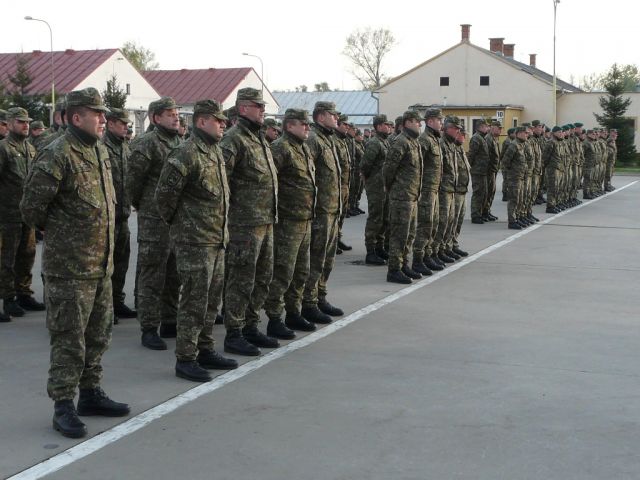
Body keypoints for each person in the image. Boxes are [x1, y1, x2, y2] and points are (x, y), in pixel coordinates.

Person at [21, 87, 130, 439]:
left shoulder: (99, 150)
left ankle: (91, 393)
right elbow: (31, 209)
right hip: (69, 270)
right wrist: (64, 234)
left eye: (103, 114)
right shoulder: (57, 153)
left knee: (98, 336)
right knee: (69, 340)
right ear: (76, 117)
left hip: (100, 266)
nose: (103, 119)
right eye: (97, 114)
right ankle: (63, 404)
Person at [155, 99, 237, 382]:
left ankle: (205, 349)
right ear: (202, 121)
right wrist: (183, 227)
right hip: (194, 242)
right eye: (218, 120)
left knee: (211, 302)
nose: (223, 124)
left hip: (216, 239)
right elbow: (164, 198)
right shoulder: (186, 153)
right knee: (193, 302)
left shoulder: (214, 151)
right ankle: (186, 357)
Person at [220, 87, 279, 356]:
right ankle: (234, 332)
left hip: (265, 221)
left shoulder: (259, 138)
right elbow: (221, 182)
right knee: (241, 280)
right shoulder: (233, 139)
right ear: (243, 108)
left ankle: (251, 326)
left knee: (262, 277)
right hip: (244, 224)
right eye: (258, 106)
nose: (263, 110)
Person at [127, 97, 181, 350]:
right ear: (156, 117)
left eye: (176, 114)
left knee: (174, 273)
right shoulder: (146, 143)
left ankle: (170, 320)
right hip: (153, 219)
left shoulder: (178, 142)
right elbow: (133, 183)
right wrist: (145, 205)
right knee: (152, 274)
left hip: (175, 219)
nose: (176, 118)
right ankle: (149, 327)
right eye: (170, 114)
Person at [263, 109, 317, 334]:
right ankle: (274, 317)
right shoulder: (280, 148)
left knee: (301, 271)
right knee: (283, 272)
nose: (307, 128)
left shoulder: (302, 148)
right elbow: (269, 183)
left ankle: (294, 312)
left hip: (304, 219)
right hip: (287, 222)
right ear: (289, 126)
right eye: (303, 124)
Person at [0, 107, 44, 321]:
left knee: (27, 255)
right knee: (7, 258)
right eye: (20, 122)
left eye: (27, 122)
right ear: (9, 124)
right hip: (7, 215)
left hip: (27, 214)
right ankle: (8, 298)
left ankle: (23, 293)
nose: (26, 125)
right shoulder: (3, 148)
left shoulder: (30, 148)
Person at [301, 101, 344, 324]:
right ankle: (308, 302)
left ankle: (320, 296)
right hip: (320, 211)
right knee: (315, 259)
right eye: (332, 114)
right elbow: (305, 177)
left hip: (332, 209)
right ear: (320, 117)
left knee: (327, 259)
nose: (336, 118)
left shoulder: (328, 139)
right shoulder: (313, 140)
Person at [102, 108, 136, 321]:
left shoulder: (124, 147)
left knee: (122, 262)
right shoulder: (102, 147)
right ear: (111, 123)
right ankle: (106, 308)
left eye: (127, 124)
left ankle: (117, 300)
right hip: (107, 218)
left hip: (123, 216)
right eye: (122, 123)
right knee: (107, 265)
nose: (126, 127)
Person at [383, 110, 423, 284]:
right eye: (416, 121)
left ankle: (404, 264)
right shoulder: (400, 142)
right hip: (401, 196)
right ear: (407, 123)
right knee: (399, 235)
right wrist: (393, 188)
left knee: (409, 234)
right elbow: (388, 169)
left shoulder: (413, 142)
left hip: (412, 195)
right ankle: (394, 270)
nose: (419, 124)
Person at [412, 108, 444, 275]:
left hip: (434, 188)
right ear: (430, 121)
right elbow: (418, 165)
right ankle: (418, 259)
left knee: (433, 224)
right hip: (426, 189)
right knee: (425, 225)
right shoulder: (425, 140)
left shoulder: (434, 139)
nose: (441, 123)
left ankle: (427, 255)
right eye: (439, 120)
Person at [361, 114, 391, 266]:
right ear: (379, 126)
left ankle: (379, 247)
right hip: (376, 187)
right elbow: (365, 165)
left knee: (385, 218)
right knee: (375, 218)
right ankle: (371, 251)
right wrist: (371, 181)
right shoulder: (374, 143)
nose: (389, 127)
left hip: (384, 186)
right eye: (386, 125)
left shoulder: (384, 142)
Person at [433, 116, 461, 263]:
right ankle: (437, 250)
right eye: (456, 129)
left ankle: (445, 248)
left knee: (450, 221)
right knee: (442, 222)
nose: (458, 132)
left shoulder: (451, 144)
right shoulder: (442, 143)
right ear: (448, 128)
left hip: (451, 188)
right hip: (443, 189)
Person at [503, 126, 528, 229]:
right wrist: (513, 171)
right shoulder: (513, 145)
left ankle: (517, 218)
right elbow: (505, 161)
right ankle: (512, 221)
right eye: (525, 133)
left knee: (519, 199)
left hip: (520, 176)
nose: (527, 135)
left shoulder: (521, 144)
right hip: (514, 177)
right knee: (514, 199)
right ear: (519, 134)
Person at [468, 119, 490, 224]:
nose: (488, 128)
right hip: (477, 171)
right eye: (486, 126)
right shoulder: (476, 138)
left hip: (483, 171)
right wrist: (471, 167)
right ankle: (475, 215)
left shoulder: (482, 138)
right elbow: (472, 154)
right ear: (480, 127)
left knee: (483, 193)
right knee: (478, 193)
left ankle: (480, 213)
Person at [484, 120, 502, 221]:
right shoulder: (488, 139)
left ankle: (487, 211)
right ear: (492, 128)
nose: (500, 130)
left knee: (491, 191)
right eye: (498, 128)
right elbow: (486, 156)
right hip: (488, 170)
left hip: (493, 170)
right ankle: (484, 212)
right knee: (487, 192)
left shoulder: (495, 139)